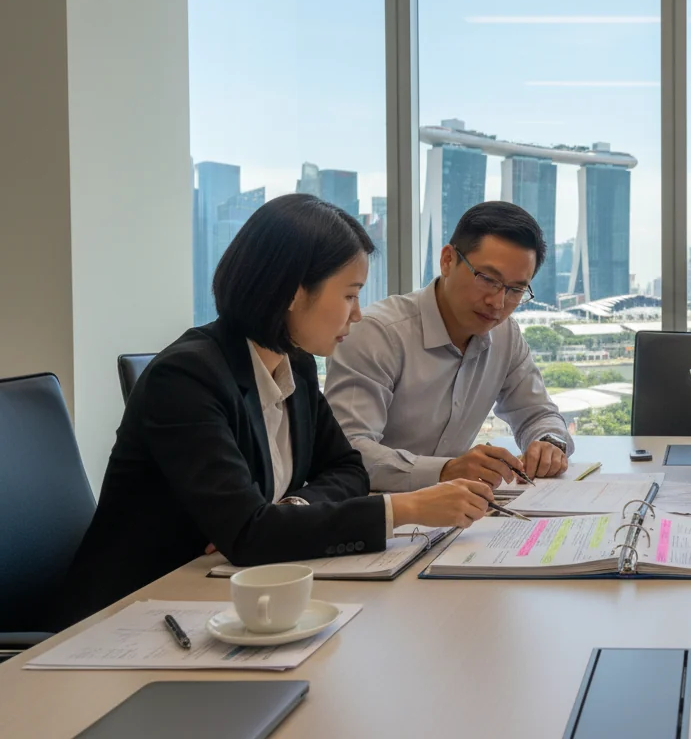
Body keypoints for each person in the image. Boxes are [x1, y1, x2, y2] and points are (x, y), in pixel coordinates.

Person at [61, 194, 496, 626]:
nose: (358, 315)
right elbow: (250, 535)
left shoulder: (294, 362)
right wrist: (406, 509)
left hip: (223, 599)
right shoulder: (186, 378)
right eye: (349, 295)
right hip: (133, 614)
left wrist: (293, 508)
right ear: (292, 292)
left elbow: (348, 469)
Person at [325, 201, 571, 492]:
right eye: (488, 279)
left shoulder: (505, 335)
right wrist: (445, 470)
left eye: (516, 289)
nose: (498, 302)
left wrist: (548, 442)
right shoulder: (377, 334)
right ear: (447, 260)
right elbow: (349, 451)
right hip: (377, 518)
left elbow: (538, 413)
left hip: (454, 515)